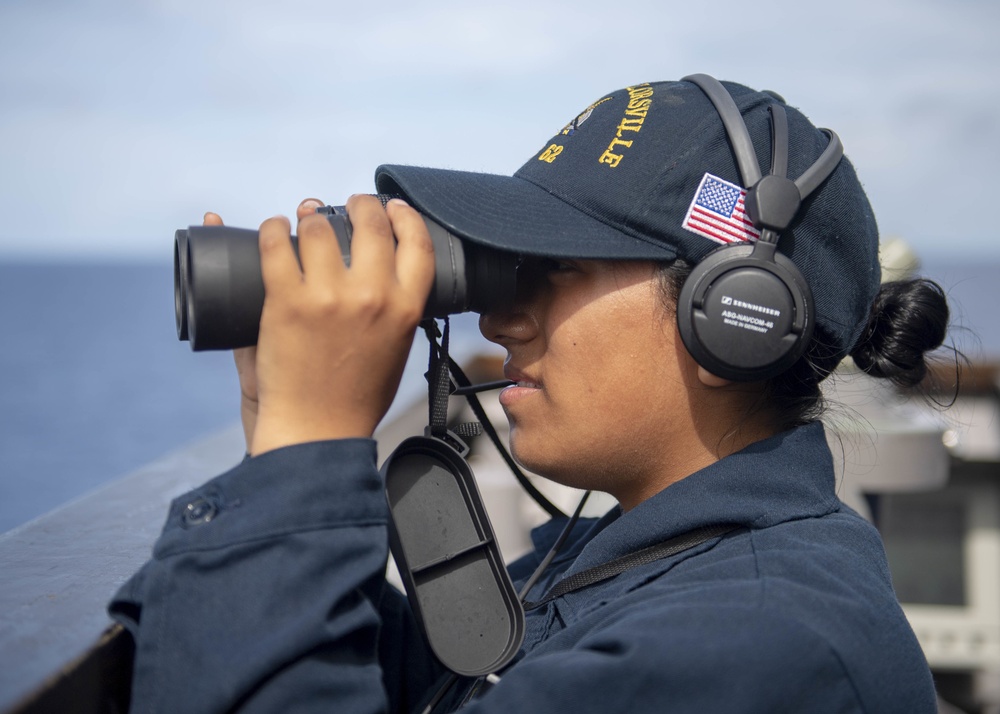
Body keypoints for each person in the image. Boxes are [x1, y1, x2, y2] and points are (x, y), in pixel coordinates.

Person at [110, 76, 954, 712]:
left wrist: (310, 443)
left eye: (553, 269)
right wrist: (279, 454)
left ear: (733, 317)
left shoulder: (756, 649)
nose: (498, 319)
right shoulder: (632, 558)